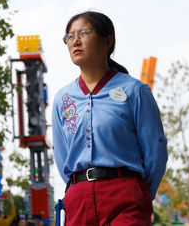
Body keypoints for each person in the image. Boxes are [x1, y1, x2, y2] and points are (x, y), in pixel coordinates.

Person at [52, 11, 168, 225]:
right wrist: (77, 188)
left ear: (108, 41)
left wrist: (141, 192)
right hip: (78, 200)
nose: (75, 41)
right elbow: (61, 157)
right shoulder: (63, 99)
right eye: (69, 36)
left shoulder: (134, 91)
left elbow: (156, 149)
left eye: (84, 33)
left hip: (126, 195)